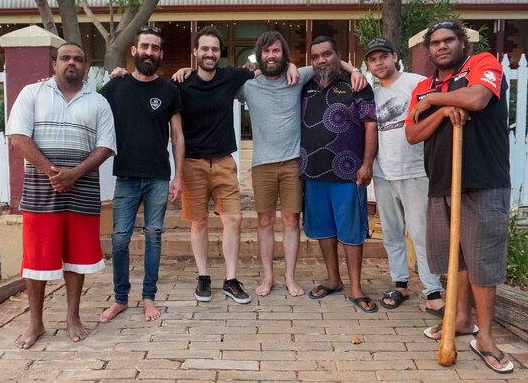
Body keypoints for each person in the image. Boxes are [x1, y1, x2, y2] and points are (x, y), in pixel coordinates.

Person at [406, 20, 513, 374]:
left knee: (482, 260)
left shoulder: (483, 64)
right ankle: (461, 319)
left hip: (482, 180)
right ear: (428, 50)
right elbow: (412, 132)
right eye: (434, 42)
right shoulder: (423, 85)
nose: (441, 47)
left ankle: (486, 338)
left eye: (448, 40)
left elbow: (478, 99)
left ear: (461, 43)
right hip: (441, 183)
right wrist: (440, 110)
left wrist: (434, 100)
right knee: (455, 258)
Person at [6, 42, 116, 349]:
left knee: (77, 260)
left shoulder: (98, 102)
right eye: (66, 58)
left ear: (86, 66)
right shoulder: (32, 94)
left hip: (81, 193)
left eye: (78, 59)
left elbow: (105, 146)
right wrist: (52, 172)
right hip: (41, 193)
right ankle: (35, 323)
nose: (72, 63)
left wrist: (74, 174)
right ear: (55, 63)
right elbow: (18, 137)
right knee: (36, 259)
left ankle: (72, 318)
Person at [243, 31, 366, 297]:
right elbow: (213, 82)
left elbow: (330, 62)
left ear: (283, 54)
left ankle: (289, 277)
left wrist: (355, 69)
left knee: (290, 220)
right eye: (266, 52)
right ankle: (267, 277)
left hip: (293, 162)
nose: (271, 56)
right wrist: (185, 69)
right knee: (264, 221)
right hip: (261, 163)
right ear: (260, 55)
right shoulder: (248, 85)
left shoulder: (298, 76)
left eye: (276, 51)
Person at [98, 26, 185, 323]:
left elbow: (177, 136)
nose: (150, 52)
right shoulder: (115, 87)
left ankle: (149, 297)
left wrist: (178, 176)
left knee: (153, 237)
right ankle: (120, 299)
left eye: (155, 48)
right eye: (145, 46)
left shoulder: (168, 91)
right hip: (126, 177)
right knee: (120, 239)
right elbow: (87, 106)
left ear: (160, 54)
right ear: (134, 51)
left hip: (158, 177)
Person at [363, 37, 446, 314]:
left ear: (394, 55)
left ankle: (432, 289)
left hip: (414, 170)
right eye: (373, 60)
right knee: (392, 233)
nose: (379, 63)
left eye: (383, 57)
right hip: (384, 172)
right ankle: (399, 284)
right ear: (368, 65)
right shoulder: (372, 94)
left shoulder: (416, 83)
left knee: (421, 233)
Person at [176, 26, 256, 304]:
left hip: (224, 161)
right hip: (193, 163)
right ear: (195, 52)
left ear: (220, 52)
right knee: (198, 222)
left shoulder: (231, 77)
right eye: (204, 49)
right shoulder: (181, 83)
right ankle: (203, 276)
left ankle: (231, 279)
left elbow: (266, 69)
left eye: (214, 49)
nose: (210, 54)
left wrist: (292, 65)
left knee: (233, 219)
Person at [300, 36, 378, 313]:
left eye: (327, 54)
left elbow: (370, 125)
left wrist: (367, 163)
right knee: (323, 230)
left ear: (338, 55)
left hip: (348, 172)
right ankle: (333, 279)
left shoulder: (356, 85)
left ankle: (356, 286)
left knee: (352, 232)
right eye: (316, 56)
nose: (321, 60)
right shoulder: (304, 87)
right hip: (312, 172)